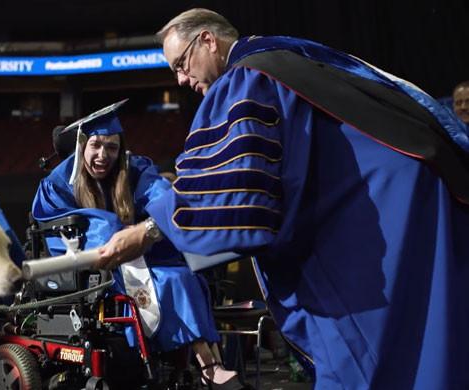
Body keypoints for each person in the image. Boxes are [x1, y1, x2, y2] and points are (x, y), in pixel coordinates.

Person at [95, 8, 469, 390]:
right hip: (420, 192)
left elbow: (231, 190)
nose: (180, 79)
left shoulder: (245, 78)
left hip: (382, 213)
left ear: (207, 40)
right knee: (436, 335)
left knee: (370, 358)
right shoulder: (288, 58)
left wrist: (146, 230)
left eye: (181, 63)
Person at [32, 101, 238, 388]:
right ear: (82, 145)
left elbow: (162, 196)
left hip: (135, 261)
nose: (103, 155)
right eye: (96, 145)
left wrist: (151, 226)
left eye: (112, 148)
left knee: (186, 273)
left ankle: (205, 361)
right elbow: (62, 226)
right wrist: (119, 233)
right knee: (171, 280)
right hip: (98, 269)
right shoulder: (59, 183)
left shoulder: (133, 169)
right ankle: (209, 365)